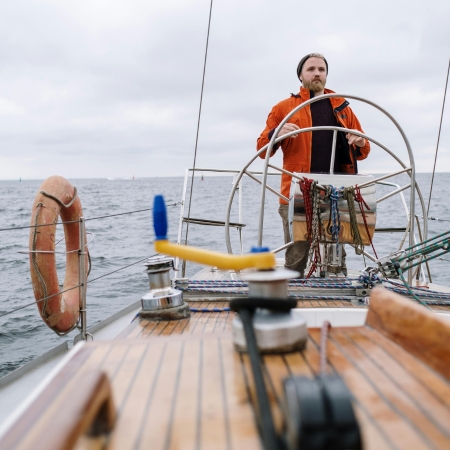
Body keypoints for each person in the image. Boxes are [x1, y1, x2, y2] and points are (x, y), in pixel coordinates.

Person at [256, 53, 370, 277]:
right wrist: (275, 134)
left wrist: (361, 141)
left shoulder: (342, 107)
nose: (317, 73)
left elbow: (363, 150)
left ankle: (337, 295)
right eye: (311, 69)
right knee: (297, 255)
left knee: (337, 257)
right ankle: (292, 297)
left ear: (326, 75)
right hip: (296, 192)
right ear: (300, 75)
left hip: (336, 192)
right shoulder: (284, 108)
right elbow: (262, 149)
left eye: (321, 69)